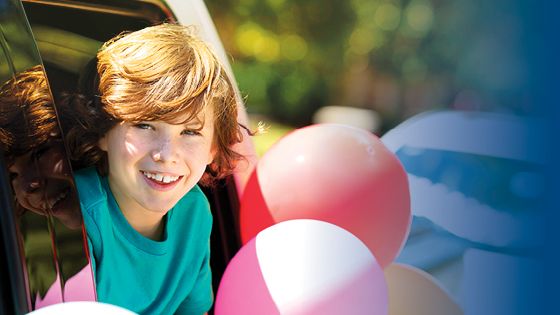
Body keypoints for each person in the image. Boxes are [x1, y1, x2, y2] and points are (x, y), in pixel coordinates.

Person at [62, 23, 247, 314]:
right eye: (144, 125)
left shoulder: (194, 212)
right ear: (103, 131)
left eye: (190, 132)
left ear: (213, 147)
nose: (166, 154)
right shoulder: (79, 211)